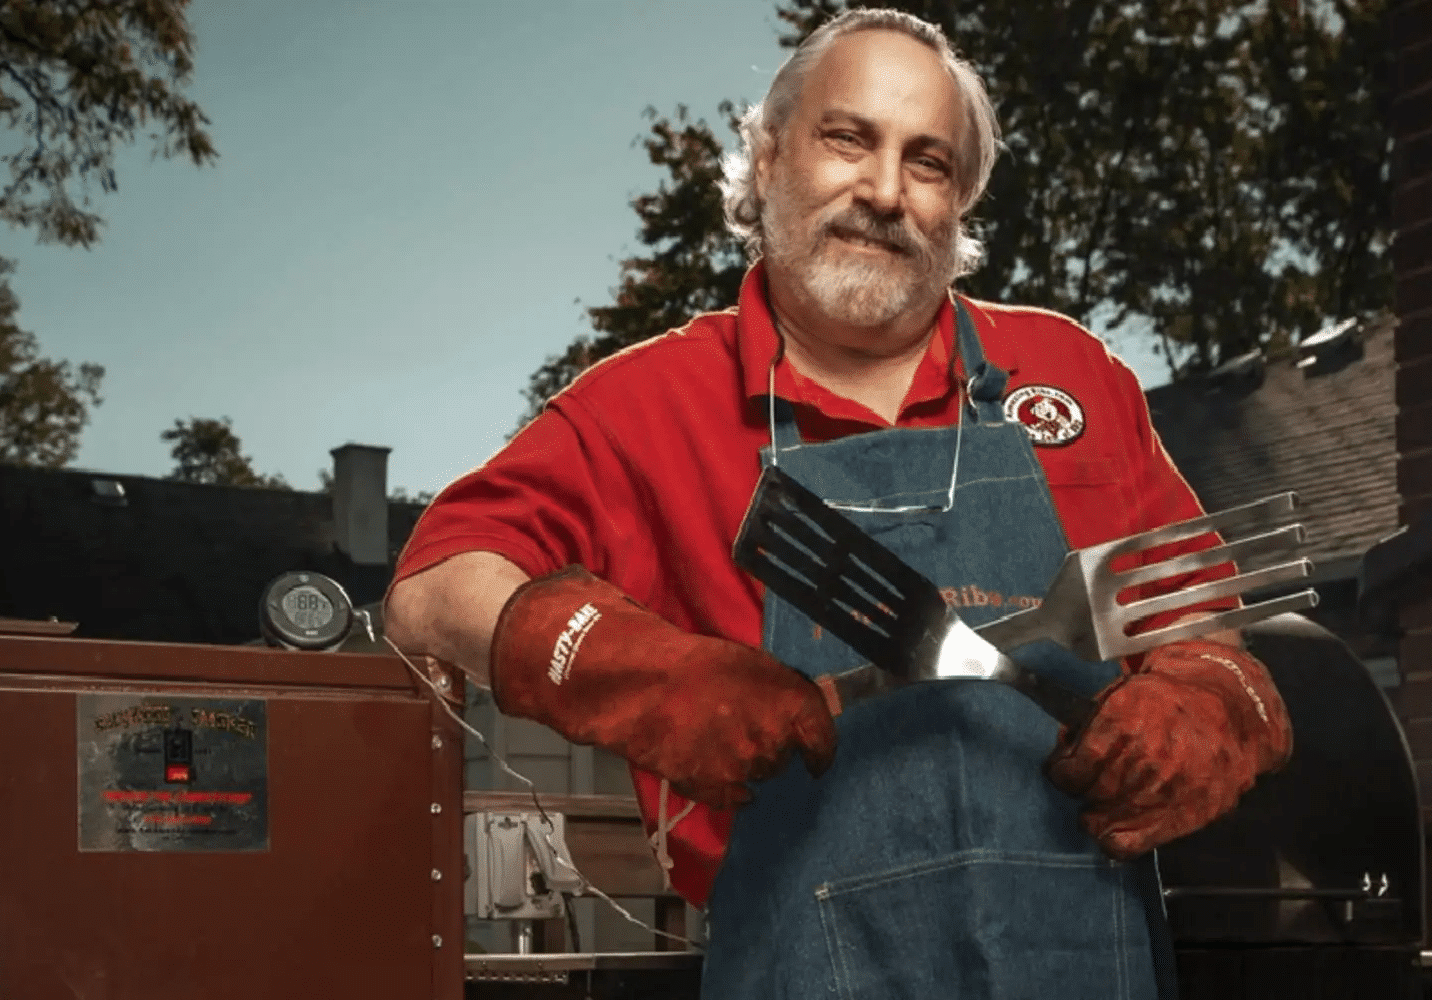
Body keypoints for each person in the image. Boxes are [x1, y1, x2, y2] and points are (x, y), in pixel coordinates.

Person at [385, 8, 1292, 999]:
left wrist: (1210, 697)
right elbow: (435, 585)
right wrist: (638, 671)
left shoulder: (1072, 376)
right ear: (769, 159)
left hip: (1083, 960)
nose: (885, 192)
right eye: (848, 138)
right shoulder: (643, 407)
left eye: (929, 161)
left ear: (960, 202)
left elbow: (1201, 627)